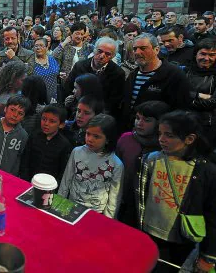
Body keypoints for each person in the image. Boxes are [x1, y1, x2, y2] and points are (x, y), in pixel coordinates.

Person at [136, 111, 216, 273]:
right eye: (160, 134)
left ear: (189, 139)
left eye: (169, 135)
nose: (161, 139)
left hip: (181, 239)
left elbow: (212, 214)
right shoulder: (150, 159)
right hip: (148, 231)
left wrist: (208, 255)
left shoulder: (204, 170)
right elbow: (137, 198)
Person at [116, 101, 171, 227]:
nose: (139, 123)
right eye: (137, 118)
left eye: (146, 120)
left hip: (151, 205)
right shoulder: (126, 139)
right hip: (124, 199)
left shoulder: (163, 147)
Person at [59, 114, 123, 219]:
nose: (90, 139)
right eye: (88, 134)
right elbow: (66, 180)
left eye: (96, 136)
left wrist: (108, 220)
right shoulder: (76, 152)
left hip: (97, 213)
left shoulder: (116, 164)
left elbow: (115, 196)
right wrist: (60, 204)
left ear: (108, 139)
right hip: (71, 206)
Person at [124, 33, 192, 126]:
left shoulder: (174, 75)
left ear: (156, 50)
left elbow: (180, 111)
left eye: (143, 48)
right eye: (135, 49)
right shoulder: (132, 75)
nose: (137, 52)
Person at [64, 37, 125, 118]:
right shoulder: (80, 66)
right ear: (94, 50)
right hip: (76, 112)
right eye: (99, 51)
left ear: (113, 56)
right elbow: (68, 87)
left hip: (100, 117)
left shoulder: (117, 73)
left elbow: (113, 102)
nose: (102, 56)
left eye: (107, 54)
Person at [21, 104, 72, 182]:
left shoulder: (64, 144)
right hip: (29, 181)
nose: (46, 123)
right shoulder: (34, 136)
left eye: (52, 121)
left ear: (61, 124)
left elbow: (62, 171)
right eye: (44, 119)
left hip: (49, 185)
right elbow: (25, 160)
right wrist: (25, 179)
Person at [187, 38, 216, 144]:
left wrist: (188, 100)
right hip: (181, 121)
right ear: (196, 54)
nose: (206, 58)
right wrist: (198, 95)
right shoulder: (185, 71)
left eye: (211, 55)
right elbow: (175, 93)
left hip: (206, 125)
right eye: (203, 54)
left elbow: (212, 103)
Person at [32, 37, 60, 102]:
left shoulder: (52, 59)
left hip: (53, 95)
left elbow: (56, 72)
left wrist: (59, 74)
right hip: (37, 97)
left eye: (41, 46)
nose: (38, 48)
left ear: (47, 48)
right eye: (36, 46)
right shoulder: (31, 61)